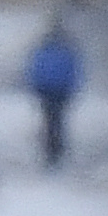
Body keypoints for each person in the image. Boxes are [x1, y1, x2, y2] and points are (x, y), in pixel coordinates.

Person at [25, 20, 83, 167]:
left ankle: (51, 150)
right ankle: (57, 149)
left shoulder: (43, 50)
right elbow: (74, 71)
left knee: (50, 120)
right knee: (58, 120)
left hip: (46, 90)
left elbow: (35, 69)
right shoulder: (68, 50)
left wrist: (35, 86)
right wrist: (73, 88)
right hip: (61, 91)